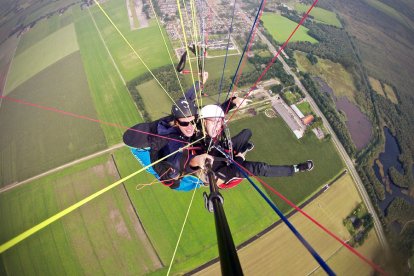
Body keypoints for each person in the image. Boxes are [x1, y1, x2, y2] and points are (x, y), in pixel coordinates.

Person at [190, 104, 314, 188]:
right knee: (261, 168)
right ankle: (296, 168)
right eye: (214, 123)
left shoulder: (206, 132)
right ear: (203, 121)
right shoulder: (196, 138)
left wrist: (232, 102)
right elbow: (227, 173)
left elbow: (214, 113)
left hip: (221, 151)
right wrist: (240, 158)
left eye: (219, 123)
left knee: (247, 133)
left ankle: (242, 149)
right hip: (225, 171)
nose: (218, 127)